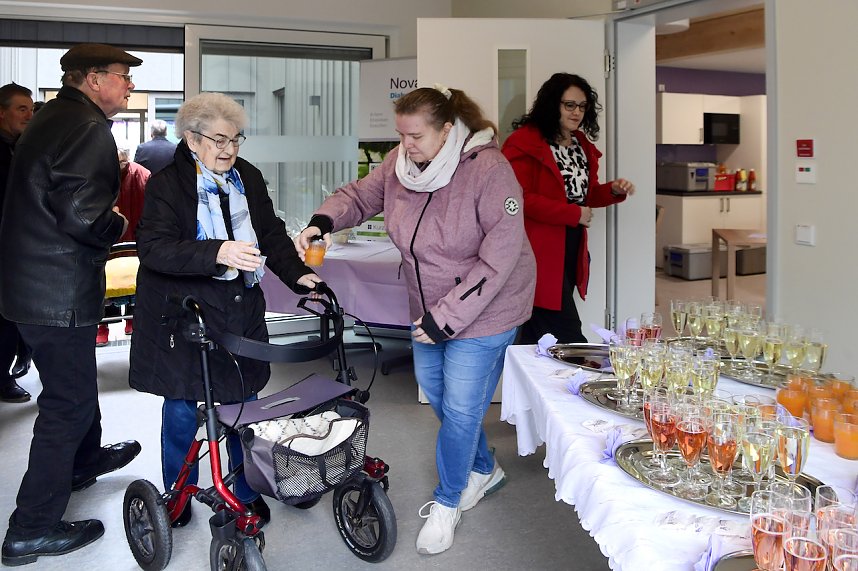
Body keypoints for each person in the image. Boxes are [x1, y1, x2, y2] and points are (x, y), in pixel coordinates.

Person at [296, 85, 535, 556]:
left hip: (486, 308)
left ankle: (448, 503)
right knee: (444, 400)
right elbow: (361, 195)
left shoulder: (489, 170)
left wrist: (446, 318)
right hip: (427, 308)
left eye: (416, 135)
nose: (406, 145)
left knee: (463, 410)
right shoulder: (403, 166)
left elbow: (499, 258)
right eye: (401, 135)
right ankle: (485, 468)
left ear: (448, 130)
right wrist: (323, 219)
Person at [129, 92, 323, 529]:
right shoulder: (167, 185)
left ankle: (244, 492)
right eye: (218, 139)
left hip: (239, 311)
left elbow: (271, 234)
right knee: (182, 407)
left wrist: (299, 277)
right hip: (186, 315)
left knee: (244, 405)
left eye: (236, 138)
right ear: (192, 139)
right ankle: (177, 495)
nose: (229, 149)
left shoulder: (247, 177)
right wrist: (218, 252)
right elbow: (154, 249)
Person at [0, 43, 144, 565]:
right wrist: (119, 224)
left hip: (35, 284)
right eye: (122, 76)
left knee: (75, 387)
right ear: (92, 79)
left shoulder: (55, 115)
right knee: (67, 404)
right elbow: (83, 216)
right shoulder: (86, 128)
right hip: (54, 289)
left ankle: (82, 462)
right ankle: (30, 529)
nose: (128, 85)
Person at [502, 72, 635, 344]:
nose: (577, 113)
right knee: (566, 333)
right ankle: (584, 381)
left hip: (570, 245)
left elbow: (584, 194)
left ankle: (534, 384)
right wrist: (574, 214)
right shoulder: (524, 141)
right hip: (536, 247)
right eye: (569, 105)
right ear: (553, 104)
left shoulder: (581, 144)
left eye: (583, 106)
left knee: (539, 334)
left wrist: (612, 191)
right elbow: (519, 198)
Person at [0, 83, 34, 402]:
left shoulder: (21, 146)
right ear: (1, 112)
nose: (29, 114)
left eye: (31, 108)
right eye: (21, 108)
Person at [96, 147, 150, 345]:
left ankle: (132, 319)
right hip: (110, 235)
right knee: (105, 282)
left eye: (123, 162)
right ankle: (104, 325)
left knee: (135, 281)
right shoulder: (98, 175)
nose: (121, 166)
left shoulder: (142, 174)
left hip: (135, 235)